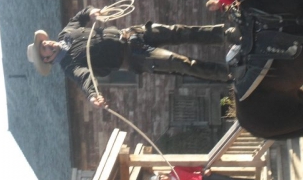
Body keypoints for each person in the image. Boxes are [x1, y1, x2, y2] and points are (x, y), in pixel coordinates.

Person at [27, 6, 232, 108]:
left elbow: (82, 15)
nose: (48, 44)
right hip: (135, 57)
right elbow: (84, 78)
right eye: (44, 49)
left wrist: (93, 13)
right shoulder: (69, 66)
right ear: (47, 60)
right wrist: (92, 96)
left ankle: (224, 34)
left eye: (44, 42)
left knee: (178, 31)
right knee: (177, 62)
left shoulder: (66, 33)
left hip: (132, 34)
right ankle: (227, 73)